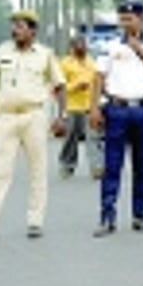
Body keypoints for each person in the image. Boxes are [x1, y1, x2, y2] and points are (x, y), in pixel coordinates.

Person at [0, 9, 66, 242]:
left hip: (34, 115)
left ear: (32, 30)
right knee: (0, 171)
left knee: (37, 170)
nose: (15, 30)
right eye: (13, 25)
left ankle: (35, 221)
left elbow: (60, 85)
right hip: (7, 117)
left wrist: (61, 116)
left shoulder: (44, 55)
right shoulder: (2, 52)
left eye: (21, 26)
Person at [90, 0, 143, 237]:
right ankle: (107, 217)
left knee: (142, 166)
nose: (125, 23)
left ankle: (140, 215)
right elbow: (99, 77)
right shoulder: (110, 46)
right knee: (112, 166)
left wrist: (139, 48)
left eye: (130, 19)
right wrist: (94, 108)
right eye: (122, 19)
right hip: (117, 109)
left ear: (141, 19)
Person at [59, 35, 102, 179]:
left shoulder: (92, 63)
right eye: (78, 44)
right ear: (72, 47)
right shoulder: (65, 63)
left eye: (83, 44)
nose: (81, 46)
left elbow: (97, 83)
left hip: (89, 107)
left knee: (93, 137)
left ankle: (97, 167)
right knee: (71, 138)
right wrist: (75, 86)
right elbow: (60, 87)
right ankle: (67, 165)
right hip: (72, 107)